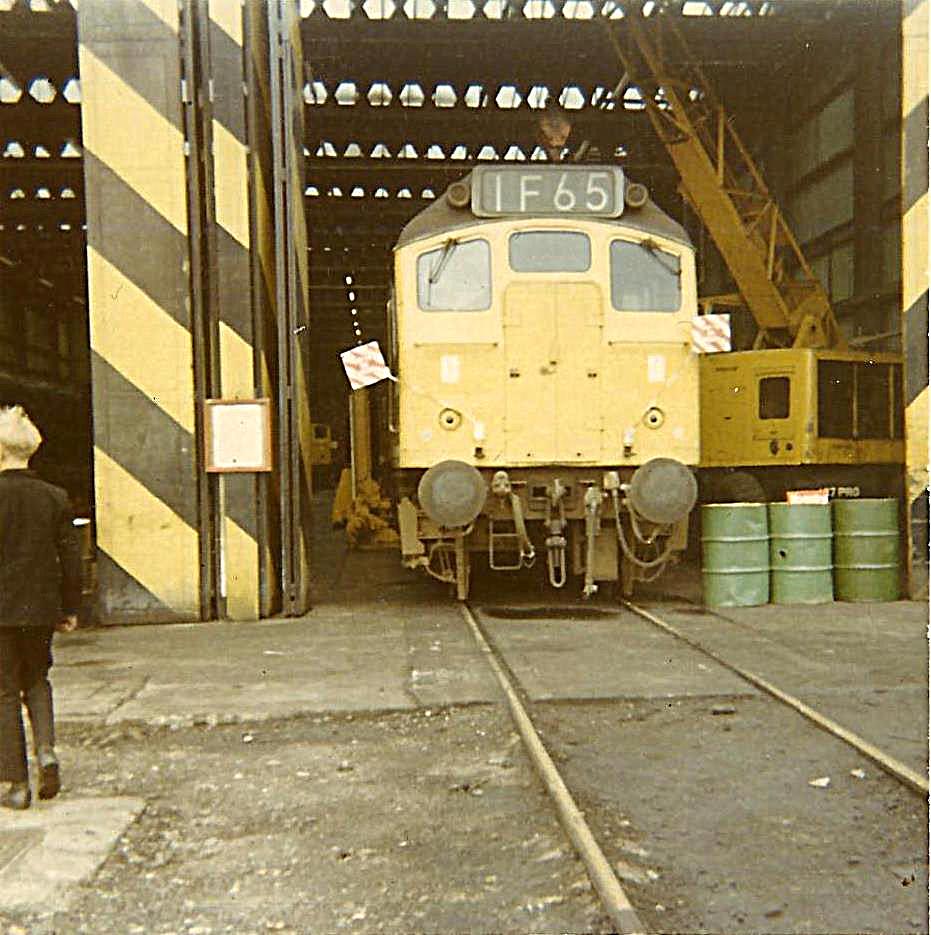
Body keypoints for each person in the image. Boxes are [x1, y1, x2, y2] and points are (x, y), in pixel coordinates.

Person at [0, 405, 81, 810]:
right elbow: (70, 559)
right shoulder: (54, 497)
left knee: (3, 693)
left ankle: (16, 784)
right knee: (37, 680)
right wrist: (69, 606)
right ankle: (46, 750)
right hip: (40, 609)